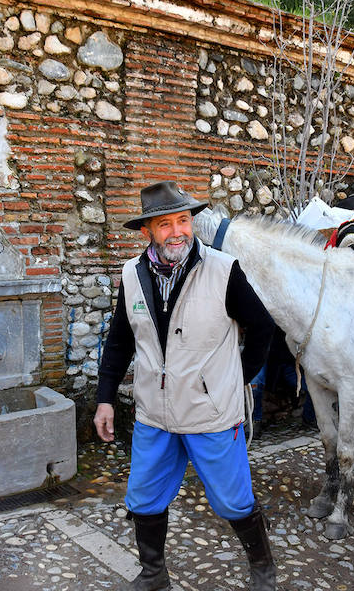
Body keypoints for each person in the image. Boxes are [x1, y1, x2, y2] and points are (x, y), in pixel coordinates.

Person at [94, 181, 277, 591]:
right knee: (143, 497)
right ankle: (154, 574)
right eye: (165, 224)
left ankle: (263, 569)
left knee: (233, 501)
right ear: (148, 232)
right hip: (154, 415)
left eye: (183, 220)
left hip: (211, 414)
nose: (178, 231)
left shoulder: (222, 271)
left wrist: (235, 381)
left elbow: (263, 328)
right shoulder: (132, 275)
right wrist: (105, 398)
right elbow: (120, 341)